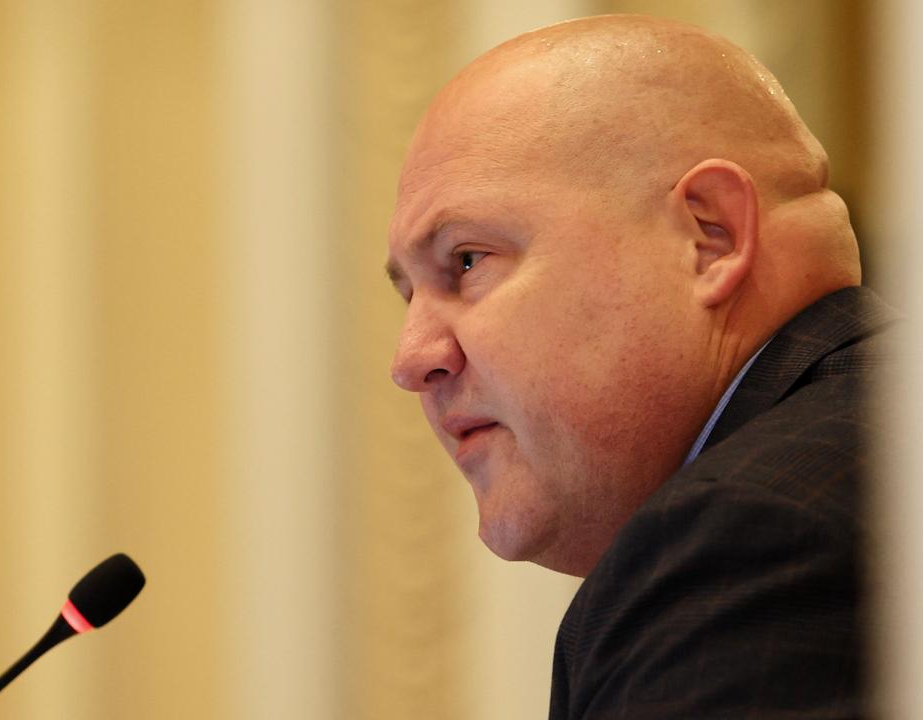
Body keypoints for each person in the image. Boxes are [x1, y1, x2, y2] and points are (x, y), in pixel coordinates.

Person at [384, 14, 897, 718]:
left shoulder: (753, 535)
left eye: (467, 261)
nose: (412, 360)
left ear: (709, 235)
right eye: (409, 293)